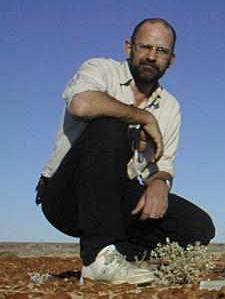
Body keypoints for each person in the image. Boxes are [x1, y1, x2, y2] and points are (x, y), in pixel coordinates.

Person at [36, 18, 214, 285]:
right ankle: (97, 258)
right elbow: (81, 105)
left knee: (198, 226)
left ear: (171, 60)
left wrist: (160, 184)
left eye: (161, 51)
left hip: (118, 200)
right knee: (110, 127)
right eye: (145, 47)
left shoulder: (170, 106)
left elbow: (162, 164)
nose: (152, 57)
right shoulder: (100, 69)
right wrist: (142, 117)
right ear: (129, 47)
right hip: (66, 197)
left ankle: (125, 259)